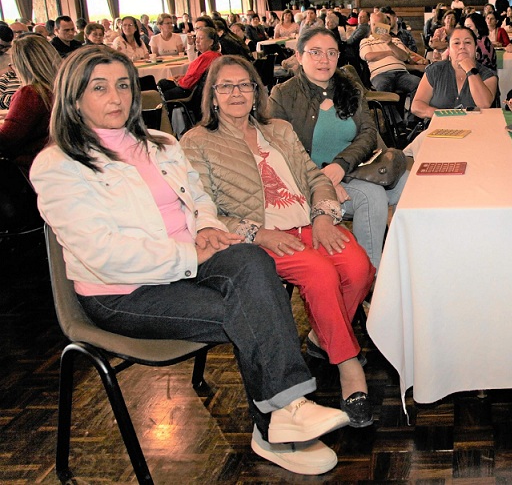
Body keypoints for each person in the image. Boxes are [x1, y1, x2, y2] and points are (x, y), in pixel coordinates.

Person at [31, 46, 351, 475]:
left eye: (123, 86)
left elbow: (198, 196)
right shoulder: (58, 165)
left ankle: (284, 412)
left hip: (189, 261)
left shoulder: (159, 143)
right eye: (99, 88)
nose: (116, 98)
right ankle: (277, 422)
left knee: (254, 262)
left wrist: (204, 226)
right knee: (248, 308)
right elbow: (102, 254)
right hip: (123, 291)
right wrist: (188, 253)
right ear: (73, 98)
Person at [181, 55, 375, 427]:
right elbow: (201, 209)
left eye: (245, 85)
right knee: (321, 274)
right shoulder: (197, 142)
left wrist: (322, 216)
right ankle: (350, 368)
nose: (236, 93)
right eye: (226, 86)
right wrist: (259, 233)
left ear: (257, 92)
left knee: (358, 267)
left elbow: (315, 177)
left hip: (307, 224)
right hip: (257, 239)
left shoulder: (280, 130)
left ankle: (322, 337)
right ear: (213, 96)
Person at [271, 28, 408, 268]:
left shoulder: (350, 88)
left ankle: (405, 262)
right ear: (299, 55)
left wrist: (340, 166)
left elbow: (367, 134)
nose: (324, 60)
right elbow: (279, 151)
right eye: (315, 52)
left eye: (331, 53)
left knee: (410, 185)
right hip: (308, 183)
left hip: (354, 169)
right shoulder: (283, 95)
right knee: (371, 195)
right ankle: (371, 275)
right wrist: (324, 183)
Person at [0, 35, 59, 173]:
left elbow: (6, 140)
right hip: (53, 162)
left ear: (22, 65)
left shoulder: (31, 94)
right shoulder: (61, 88)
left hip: (28, 167)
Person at [412, 26, 497, 118]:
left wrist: (471, 70)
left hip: (475, 128)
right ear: (448, 48)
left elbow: (484, 104)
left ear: (476, 47)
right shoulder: (435, 71)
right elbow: (416, 105)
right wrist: (439, 114)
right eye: (456, 43)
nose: (462, 47)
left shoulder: (488, 75)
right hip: (439, 128)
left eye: (467, 42)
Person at [359, 12, 419, 97]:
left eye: (380, 24)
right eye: (374, 24)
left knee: (419, 85)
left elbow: (404, 57)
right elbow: (368, 56)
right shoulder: (366, 41)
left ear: (386, 25)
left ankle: (412, 110)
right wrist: (390, 53)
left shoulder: (395, 40)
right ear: (370, 24)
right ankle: (390, 111)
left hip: (401, 73)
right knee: (384, 87)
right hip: (380, 74)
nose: (377, 27)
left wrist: (390, 44)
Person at [158, 27, 221, 100]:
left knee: (160, 92)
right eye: (196, 38)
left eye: (201, 38)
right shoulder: (215, 55)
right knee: (163, 83)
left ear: (211, 42)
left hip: (189, 92)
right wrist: (183, 77)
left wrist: (179, 81)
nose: (197, 41)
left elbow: (189, 82)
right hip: (193, 88)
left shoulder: (207, 56)